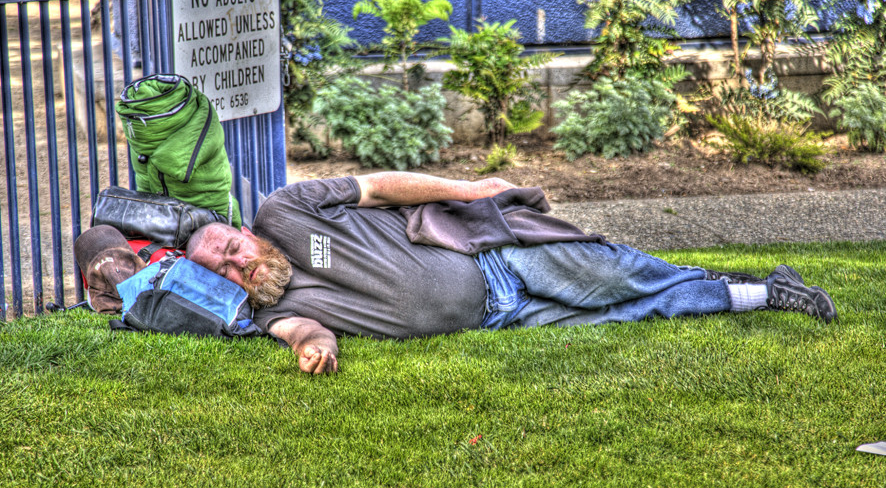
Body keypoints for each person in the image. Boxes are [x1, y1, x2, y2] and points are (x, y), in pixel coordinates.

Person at [186, 172, 837, 374]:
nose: (238, 262)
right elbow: (305, 332)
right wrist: (315, 350)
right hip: (503, 316)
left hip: (496, 259)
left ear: (245, 231)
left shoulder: (286, 210)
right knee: (633, 309)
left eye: (231, 247)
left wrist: (469, 190)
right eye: (224, 267)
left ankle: (757, 290)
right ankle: (761, 294)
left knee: (622, 275)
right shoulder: (269, 310)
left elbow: (381, 188)